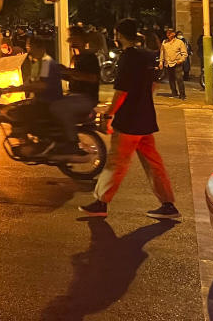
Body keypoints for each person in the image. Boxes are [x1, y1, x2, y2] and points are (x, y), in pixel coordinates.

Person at [79, 18, 180, 219]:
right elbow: (153, 85)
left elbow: (122, 91)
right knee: (153, 163)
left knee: (116, 162)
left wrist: (109, 113)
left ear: (118, 35)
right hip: (145, 118)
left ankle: (101, 202)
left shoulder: (127, 58)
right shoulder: (147, 55)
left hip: (128, 121)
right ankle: (168, 204)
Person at [48, 30, 99, 160]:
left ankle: (72, 142)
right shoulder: (75, 58)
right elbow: (72, 77)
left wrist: (69, 72)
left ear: (83, 41)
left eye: (75, 38)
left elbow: (92, 78)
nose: (72, 41)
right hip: (74, 96)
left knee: (58, 107)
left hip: (86, 98)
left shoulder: (90, 57)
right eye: (71, 38)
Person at [159, 28, 188, 100]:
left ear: (174, 34)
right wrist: (161, 62)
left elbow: (184, 53)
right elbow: (162, 52)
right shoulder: (164, 42)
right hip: (168, 63)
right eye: (167, 33)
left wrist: (181, 60)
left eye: (170, 33)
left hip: (177, 63)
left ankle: (182, 94)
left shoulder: (179, 42)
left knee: (179, 79)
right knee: (171, 79)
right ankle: (174, 92)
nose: (168, 34)